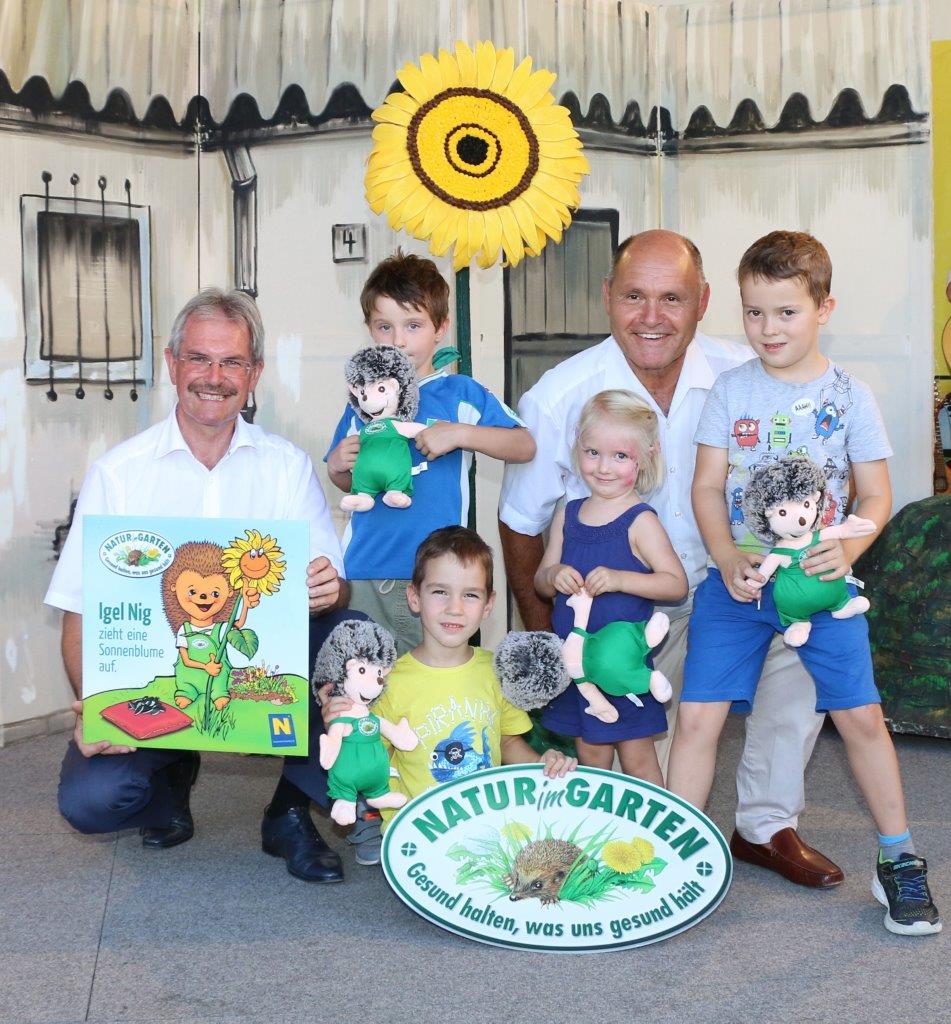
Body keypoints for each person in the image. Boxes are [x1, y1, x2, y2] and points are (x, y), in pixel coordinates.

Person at [499, 229, 845, 889]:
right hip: (623, 617)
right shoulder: (558, 395)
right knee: (636, 766)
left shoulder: (743, 378)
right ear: (606, 298)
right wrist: (546, 634)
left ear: (702, 301)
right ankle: (630, 844)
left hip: (733, 584)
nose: (651, 317)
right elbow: (519, 522)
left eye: (671, 298)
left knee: (804, 651)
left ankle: (766, 827)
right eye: (634, 296)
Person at [667, 231, 940, 935]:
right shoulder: (729, 390)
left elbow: (875, 497)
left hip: (819, 588)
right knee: (697, 720)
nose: (767, 329)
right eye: (753, 312)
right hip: (739, 587)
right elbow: (705, 486)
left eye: (785, 312)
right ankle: (673, 859)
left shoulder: (849, 396)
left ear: (824, 308)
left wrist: (848, 553)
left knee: (860, 719)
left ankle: (899, 861)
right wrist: (724, 554)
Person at [47, 288, 354, 884]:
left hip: (253, 673)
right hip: (167, 684)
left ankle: (289, 811)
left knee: (356, 638)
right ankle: (167, 779)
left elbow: (333, 590)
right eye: (199, 359)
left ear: (254, 373)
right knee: (92, 800)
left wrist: (327, 588)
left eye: (232, 362)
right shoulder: (119, 474)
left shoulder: (287, 467)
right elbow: (79, 611)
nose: (214, 377)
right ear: (171, 364)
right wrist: (96, 711)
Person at [326, 250, 534, 655]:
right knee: (363, 693)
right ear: (370, 329)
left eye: (413, 325)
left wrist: (460, 434)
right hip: (362, 574)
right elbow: (348, 481)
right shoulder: (362, 402)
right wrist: (337, 466)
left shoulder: (460, 393)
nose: (398, 340)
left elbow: (524, 445)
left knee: (427, 695)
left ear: (441, 328)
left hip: (435, 582)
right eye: (384, 326)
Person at [320, 527, 576, 832]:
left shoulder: (494, 671)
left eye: (470, 595)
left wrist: (540, 763)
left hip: (484, 825)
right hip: (417, 833)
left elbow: (505, 740)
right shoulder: (386, 683)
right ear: (414, 597)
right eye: (440, 592)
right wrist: (342, 728)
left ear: (488, 605)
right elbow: (371, 755)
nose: (454, 608)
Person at [533, 390, 688, 783]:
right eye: (593, 452)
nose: (604, 467)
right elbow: (542, 579)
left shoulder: (640, 521)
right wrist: (554, 576)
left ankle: (653, 837)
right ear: (577, 448)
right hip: (578, 665)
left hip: (622, 666)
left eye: (621, 456)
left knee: (638, 758)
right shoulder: (567, 515)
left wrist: (621, 579)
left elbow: (675, 585)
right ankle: (597, 837)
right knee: (590, 755)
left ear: (646, 457)